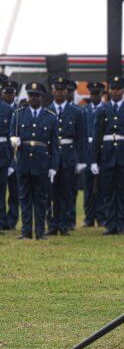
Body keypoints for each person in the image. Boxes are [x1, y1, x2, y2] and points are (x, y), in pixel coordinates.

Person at [90, 76, 124, 236]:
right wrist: (94, 160)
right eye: (113, 89)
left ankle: (122, 224)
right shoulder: (102, 110)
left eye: (119, 89)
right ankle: (110, 223)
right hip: (107, 155)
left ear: (123, 91)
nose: (116, 92)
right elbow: (97, 136)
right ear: (109, 91)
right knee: (108, 191)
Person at [10, 82, 59, 240]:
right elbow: (12, 133)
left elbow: (55, 146)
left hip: (42, 162)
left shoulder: (50, 117)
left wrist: (53, 166)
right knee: (24, 198)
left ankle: (39, 231)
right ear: (27, 96)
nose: (33, 98)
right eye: (31, 95)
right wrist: (14, 140)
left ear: (42, 97)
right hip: (24, 161)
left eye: (36, 95)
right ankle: (26, 231)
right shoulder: (18, 114)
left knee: (41, 198)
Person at [46, 76, 87, 236]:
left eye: (63, 90)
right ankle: (52, 224)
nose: (60, 93)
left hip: (69, 156)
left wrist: (81, 160)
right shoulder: (46, 110)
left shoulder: (76, 111)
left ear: (67, 92)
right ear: (52, 91)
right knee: (51, 192)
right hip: (51, 156)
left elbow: (82, 137)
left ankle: (64, 224)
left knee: (66, 192)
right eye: (57, 89)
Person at [82, 81, 106, 228]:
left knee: (102, 186)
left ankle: (101, 216)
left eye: (97, 94)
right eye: (92, 94)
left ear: (102, 95)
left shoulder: (106, 109)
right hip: (87, 150)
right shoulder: (83, 110)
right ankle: (89, 217)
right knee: (88, 186)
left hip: (102, 150)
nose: (95, 96)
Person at [2, 80, 20, 230]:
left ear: (15, 94)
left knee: (15, 191)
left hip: (15, 156)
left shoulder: (20, 111)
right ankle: (2, 220)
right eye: (6, 92)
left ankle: (12, 220)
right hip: (2, 155)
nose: (8, 95)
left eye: (11, 92)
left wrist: (14, 162)